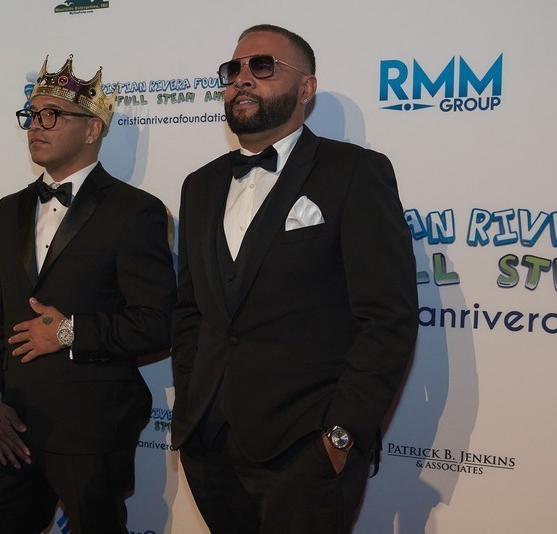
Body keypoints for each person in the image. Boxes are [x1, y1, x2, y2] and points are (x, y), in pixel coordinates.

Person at [171, 25, 419, 533]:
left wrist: (341, 434)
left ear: (306, 89)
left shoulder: (354, 172)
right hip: (211, 445)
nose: (242, 79)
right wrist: (192, 408)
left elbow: (387, 318)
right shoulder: (200, 185)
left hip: (306, 450)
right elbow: (191, 311)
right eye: (233, 70)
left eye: (262, 66)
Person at [0, 54, 176, 534]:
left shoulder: (135, 211)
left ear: (92, 129)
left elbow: (160, 322)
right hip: (10, 426)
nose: (35, 126)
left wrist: (68, 332)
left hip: (92, 429)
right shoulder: (8, 210)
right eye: (31, 115)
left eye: (52, 115)